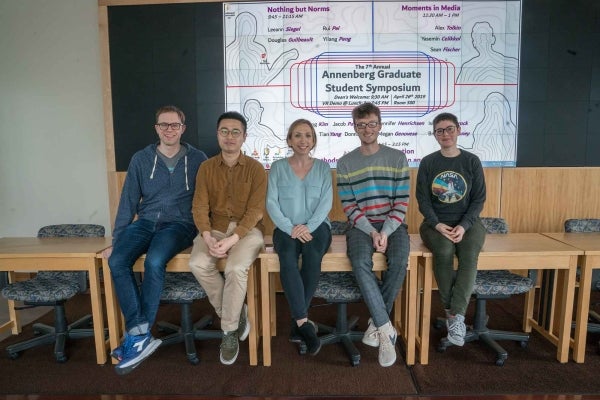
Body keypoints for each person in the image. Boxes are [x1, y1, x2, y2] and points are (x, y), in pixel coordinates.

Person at [102, 105, 208, 375]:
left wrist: (207, 232)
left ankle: (139, 335)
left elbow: (207, 199)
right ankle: (140, 332)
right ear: (156, 128)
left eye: (175, 125)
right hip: (146, 221)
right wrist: (118, 238)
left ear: (183, 128)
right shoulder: (140, 159)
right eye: (164, 125)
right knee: (117, 261)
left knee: (155, 261)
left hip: (180, 225)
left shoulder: (198, 159)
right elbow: (127, 203)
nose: (169, 130)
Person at [189, 111, 267, 365]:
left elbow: (255, 211)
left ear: (244, 136)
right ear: (217, 135)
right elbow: (199, 207)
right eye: (224, 131)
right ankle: (233, 316)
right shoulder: (206, 168)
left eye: (235, 132)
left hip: (247, 231)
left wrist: (233, 240)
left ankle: (228, 331)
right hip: (215, 228)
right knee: (198, 263)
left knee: (235, 267)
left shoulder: (256, 169)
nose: (230, 136)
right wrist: (207, 236)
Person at [336, 102, 410, 367]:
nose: (366, 129)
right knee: (359, 262)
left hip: (394, 225)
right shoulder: (345, 163)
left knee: (400, 261)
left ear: (379, 125)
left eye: (371, 124)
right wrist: (371, 230)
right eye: (361, 125)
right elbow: (349, 206)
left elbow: (401, 202)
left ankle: (376, 324)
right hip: (360, 226)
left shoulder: (397, 157)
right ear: (354, 127)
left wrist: (386, 231)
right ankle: (385, 328)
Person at [416, 112, 486, 347]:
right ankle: (453, 315)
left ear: (458, 130)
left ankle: (455, 315)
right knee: (444, 252)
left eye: (449, 129)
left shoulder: (471, 161)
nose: (445, 134)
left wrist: (464, 226)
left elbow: (479, 199)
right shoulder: (428, 162)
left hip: (469, 224)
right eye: (439, 130)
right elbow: (423, 200)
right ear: (435, 135)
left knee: (468, 255)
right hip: (435, 225)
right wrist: (437, 224)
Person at [265, 119, 333, 356]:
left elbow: (326, 203)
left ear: (313, 140)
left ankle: (299, 324)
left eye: (307, 135)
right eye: (297, 135)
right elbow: (271, 202)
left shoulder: (323, 168)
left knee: (313, 256)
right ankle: (304, 322)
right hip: (286, 229)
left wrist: (308, 227)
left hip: (317, 227)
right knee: (287, 258)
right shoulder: (277, 167)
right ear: (289, 140)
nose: (303, 140)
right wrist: (290, 227)